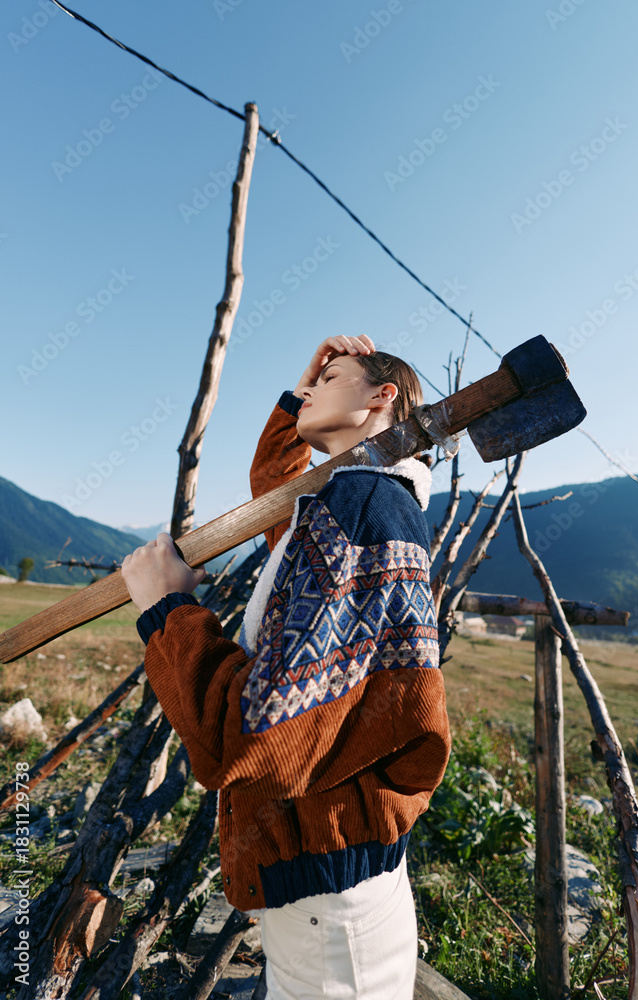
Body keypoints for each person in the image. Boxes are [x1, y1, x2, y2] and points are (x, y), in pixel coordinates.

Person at [121, 335, 451, 999]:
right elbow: (277, 489)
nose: (308, 389)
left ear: (380, 397)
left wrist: (167, 610)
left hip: (333, 903)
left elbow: (256, 735)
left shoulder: (359, 507)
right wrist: (300, 391)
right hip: (330, 873)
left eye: (329, 377)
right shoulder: (348, 502)